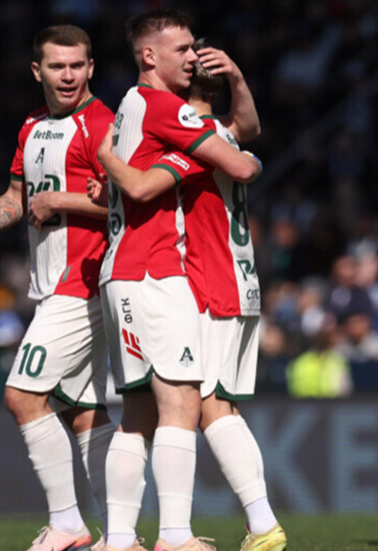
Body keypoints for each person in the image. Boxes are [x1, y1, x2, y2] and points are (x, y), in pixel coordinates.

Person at [92, 36, 286, 551]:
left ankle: (261, 524)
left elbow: (143, 185)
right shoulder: (221, 135)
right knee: (186, 408)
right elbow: (247, 135)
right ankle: (251, 525)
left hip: (206, 281)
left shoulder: (189, 143)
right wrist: (239, 83)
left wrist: (108, 161)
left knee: (206, 408)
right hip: (238, 279)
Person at [0, 24, 115, 551]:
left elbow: (131, 200)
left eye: (78, 65)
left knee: (22, 395)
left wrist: (61, 201)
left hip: (83, 282)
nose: (69, 75)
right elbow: (18, 198)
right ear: (37, 70)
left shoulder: (102, 124)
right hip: (51, 284)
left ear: (91, 67)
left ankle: (67, 524)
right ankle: (121, 535)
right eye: (58, 66)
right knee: (83, 411)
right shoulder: (32, 127)